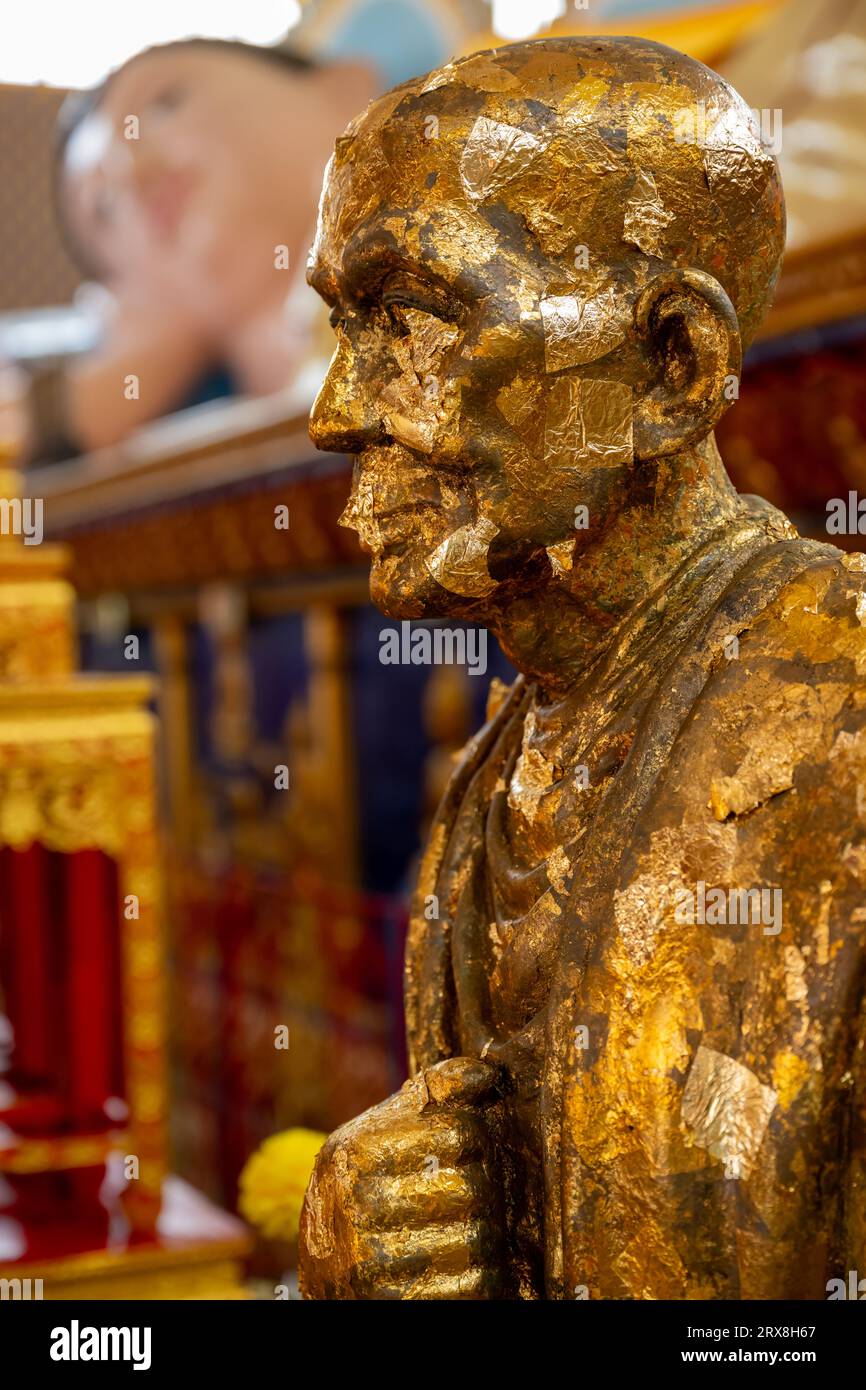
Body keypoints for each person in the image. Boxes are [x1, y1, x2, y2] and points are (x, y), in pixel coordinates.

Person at [297, 36, 866, 1299]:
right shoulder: (503, 762)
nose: (336, 407)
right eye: (345, 322)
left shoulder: (839, 725)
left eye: (415, 320)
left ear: (672, 366)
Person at [7, 38, 377, 461]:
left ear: (345, 86)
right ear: (126, 303)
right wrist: (66, 413)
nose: (130, 172)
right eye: (103, 208)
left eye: (164, 105)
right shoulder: (190, 460)